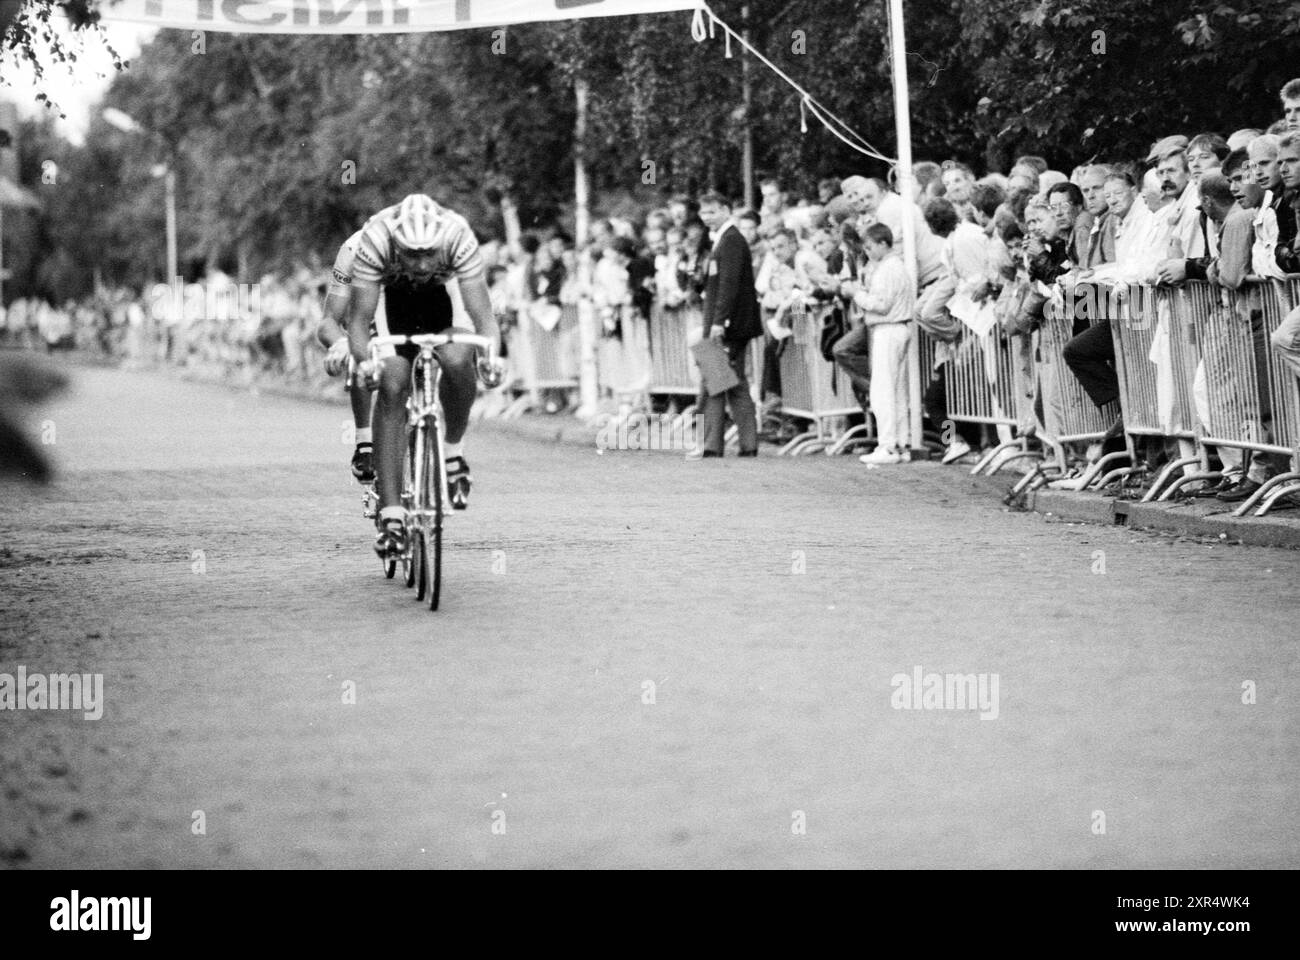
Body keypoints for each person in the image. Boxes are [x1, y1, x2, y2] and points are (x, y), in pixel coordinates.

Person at [343, 194, 503, 558]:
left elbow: (482, 315)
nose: (420, 263)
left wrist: (492, 355)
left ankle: (453, 454)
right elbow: (358, 320)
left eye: (428, 253)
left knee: (460, 359)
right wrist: (365, 361)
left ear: (439, 243)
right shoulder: (376, 240)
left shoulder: (457, 235)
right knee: (393, 383)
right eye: (411, 254)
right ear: (397, 245)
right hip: (392, 299)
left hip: (444, 297)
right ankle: (393, 517)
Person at [688, 191, 760, 460]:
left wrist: (719, 322)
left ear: (727, 210)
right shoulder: (723, 240)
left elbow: (728, 285)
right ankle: (745, 443)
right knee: (734, 382)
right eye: (703, 212)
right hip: (726, 322)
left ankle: (712, 445)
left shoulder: (730, 240)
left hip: (727, 324)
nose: (706, 218)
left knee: (714, 381)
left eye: (712, 212)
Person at [836, 223, 916, 465]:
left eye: (870, 247)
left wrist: (855, 294)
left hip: (887, 327)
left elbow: (881, 304)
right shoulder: (891, 267)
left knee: (883, 390)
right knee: (896, 390)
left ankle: (888, 444)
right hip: (896, 327)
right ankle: (900, 443)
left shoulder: (887, 269)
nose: (867, 252)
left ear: (883, 244)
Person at [319, 221, 384, 483]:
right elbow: (328, 322)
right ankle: (365, 443)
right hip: (368, 318)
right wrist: (341, 344)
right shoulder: (351, 250)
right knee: (361, 353)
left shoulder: (432, 249)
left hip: (410, 313)